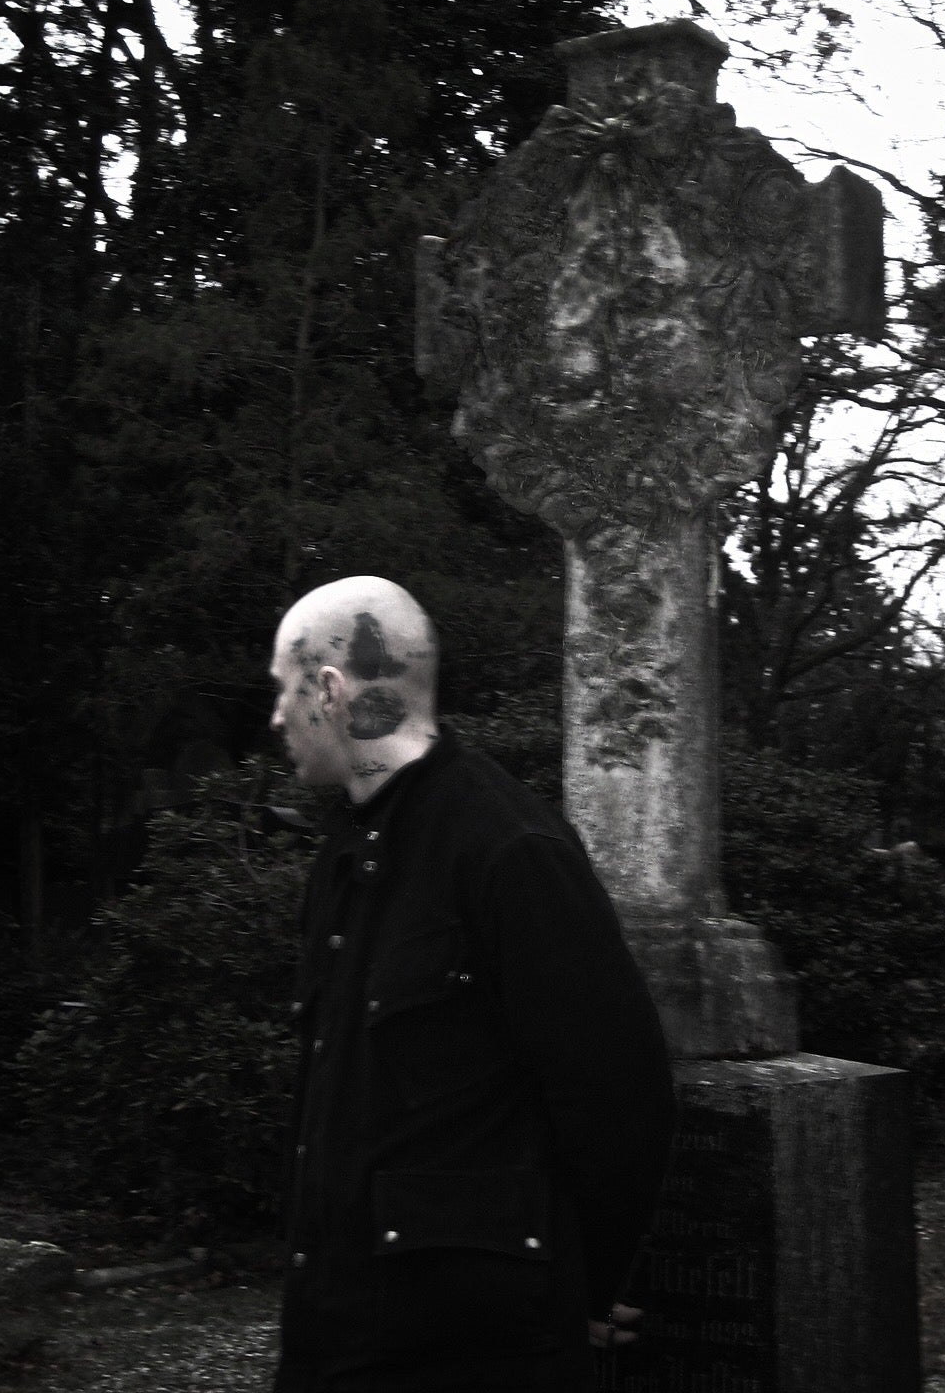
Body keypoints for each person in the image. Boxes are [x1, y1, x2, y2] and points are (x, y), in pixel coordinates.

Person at [268, 576, 677, 1393]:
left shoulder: (508, 849)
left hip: (471, 1352)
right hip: (337, 1335)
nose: (277, 716)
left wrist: (578, 1289)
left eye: (284, 689)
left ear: (332, 691)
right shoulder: (343, 855)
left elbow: (618, 1097)